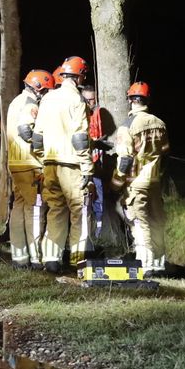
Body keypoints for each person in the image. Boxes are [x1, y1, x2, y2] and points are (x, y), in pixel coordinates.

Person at [34, 56, 92, 272]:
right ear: (80, 75)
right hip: (71, 164)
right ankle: (79, 260)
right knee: (79, 211)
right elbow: (80, 138)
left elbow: (37, 137)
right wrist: (87, 167)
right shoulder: (77, 100)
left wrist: (43, 160)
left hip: (50, 163)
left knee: (55, 209)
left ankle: (51, 258)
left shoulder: (48, 99)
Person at [111, 81, 170, 276]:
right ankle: (160, 264)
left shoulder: (127, 126)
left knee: (139, 222)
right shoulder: (160, 123)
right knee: (157, 221)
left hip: (136, 182)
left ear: (130, 100)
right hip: (154, 181)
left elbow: (125, 160)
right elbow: (165, 153)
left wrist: (116, 184)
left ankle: (146, 267)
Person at [6, 69, 53, 268]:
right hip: (30, 163)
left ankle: (19, 256)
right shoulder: (30, 104)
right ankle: (36, 258)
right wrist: (42, 149)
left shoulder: (16, 101)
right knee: (35, 209)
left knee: (19, 207)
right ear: (38, 88)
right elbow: (26, 130)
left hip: (16, 162)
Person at [79, 83, 106, 253]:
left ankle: (99, 232)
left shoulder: (98, 114)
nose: (90, 103)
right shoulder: (78, 113)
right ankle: (83, 237)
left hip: (96, 163)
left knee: (99, 198)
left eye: (92, 100)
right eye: (87, 100)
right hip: (80, 165)